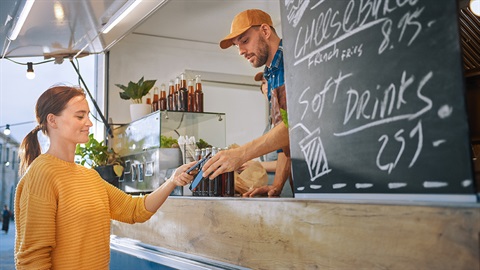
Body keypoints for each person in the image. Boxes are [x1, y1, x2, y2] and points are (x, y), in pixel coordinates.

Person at [14, 85, 195, 269]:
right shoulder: (41, 174)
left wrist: (173, 180)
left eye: (88, 116)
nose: (89, 123)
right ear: (52, 120)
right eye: (80, 116)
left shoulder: (90, 176)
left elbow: (135, 210)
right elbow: (33, 259)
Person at [203, 9, 291, 197]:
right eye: (237, 46)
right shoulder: (270, 74)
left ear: (265, 31)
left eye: (245, 41)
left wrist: (241, 154)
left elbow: (295, 127)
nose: (241, 51)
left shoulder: (293, 61)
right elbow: (286, 141)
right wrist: (276, 186)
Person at [237, 72, 293, 197]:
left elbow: (290, 157)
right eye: (263, 83)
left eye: (269, 81)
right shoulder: (271, 122)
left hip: (287, 190)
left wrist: (256, 163)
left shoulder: (289, 115)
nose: (266, 85)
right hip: (271, 188)